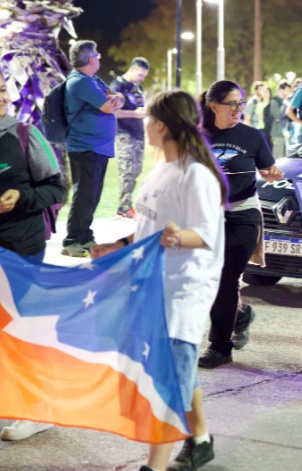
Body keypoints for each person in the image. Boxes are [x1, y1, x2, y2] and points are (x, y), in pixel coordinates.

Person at [91, 89, 227, 471]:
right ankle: (200, 440)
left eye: (147, 117)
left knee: (165, 386)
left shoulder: (195, 175)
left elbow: (205, 234)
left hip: (182, 293)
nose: (144, 123)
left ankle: (154, 466)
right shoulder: (161, 169)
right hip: (152, 288)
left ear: (162, 125)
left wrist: (178, 236)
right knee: (178, 372)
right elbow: (150, 227)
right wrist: (119, 245)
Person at [0, 77, 68, 442]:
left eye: (2, 90)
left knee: (19, 327)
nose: (1, 97)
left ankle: (38, 409)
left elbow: (57, 187)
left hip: (20, 247)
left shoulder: (25, 134)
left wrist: (20, 197)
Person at [198, 81, 283, 369]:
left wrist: (271, 174)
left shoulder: (252, 136)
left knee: (225, 276)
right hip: (208, 217)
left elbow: (267, 169)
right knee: (209, 279)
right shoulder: (198, 137)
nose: (238, 108)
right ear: (214, 106)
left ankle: (220, 347)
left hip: (243, 215)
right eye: (232, 103)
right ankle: (241, 313)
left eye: (241, 103)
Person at [61, 40, 124, 258]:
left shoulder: (93, 80)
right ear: (90, 60)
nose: (99, 58)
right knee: (84, 195)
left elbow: (118, 98)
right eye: (96, 55)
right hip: (85, 147)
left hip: (98, 147)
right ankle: (72, 240)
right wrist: (113, 101)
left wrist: (116, 99)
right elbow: (108, 106)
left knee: (93, 194)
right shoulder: (80, 82)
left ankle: (85, 235)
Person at [110, 57, 149, 219]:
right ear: (132, 69)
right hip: (125, 134)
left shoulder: (138, 87)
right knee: (126, 171)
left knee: (135, 171)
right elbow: (112, 112)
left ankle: (128, 205)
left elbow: (140, 107)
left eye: (144, 76)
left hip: (138, 134)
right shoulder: (117, 86)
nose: (142, 78)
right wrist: (134, 114)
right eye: (140, 75)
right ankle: (123, 207)